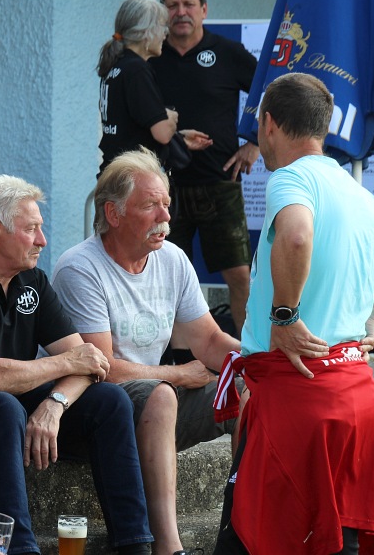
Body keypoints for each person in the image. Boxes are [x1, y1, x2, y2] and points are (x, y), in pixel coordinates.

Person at [210, 73, 374, 555]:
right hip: (354, 399)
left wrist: (284, 316)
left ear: (268, 123)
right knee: (333, 542)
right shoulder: (359, 194)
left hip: (298, 397)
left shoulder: (291, 178)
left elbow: (297, 235)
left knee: (250, 540)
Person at [0, 175, 153, 555]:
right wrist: (64, 362)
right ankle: (21, 550)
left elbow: (89, 364)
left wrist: (55, 404)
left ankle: (134, 545)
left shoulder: (33, 280)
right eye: (31, 229)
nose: (43, 240)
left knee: (111, 400)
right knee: (1, 404)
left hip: (23, 414)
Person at [52, 148, 240, 555]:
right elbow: (101, 369)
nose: (165, 217)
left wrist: (259, 359)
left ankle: (242, 532)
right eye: (151, 205)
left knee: (245, 391)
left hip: (156, 407)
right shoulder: (79, 268)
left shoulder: (172, 259)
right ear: (114, 213)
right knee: (162, 394)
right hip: (96, 414)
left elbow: (209, 341)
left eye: (167, 204)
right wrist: (177, 374)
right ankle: (168, 547)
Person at [150, 0, 258, 334]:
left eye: (188, 4)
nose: (181, 12)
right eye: (173, 5)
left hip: (220, 181)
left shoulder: (227, 53)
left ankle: (248, 356)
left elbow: (272, 92)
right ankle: (174, 359)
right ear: (163, 12)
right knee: (166, 277)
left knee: (239, 275)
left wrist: (255, 142)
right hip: (164, 187)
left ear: (204, 9)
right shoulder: (151, 56)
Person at [97, 0, 210, 177]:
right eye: (162, 26)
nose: (165, 33)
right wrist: (170, 117)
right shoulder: (137, 70)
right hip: (133, 177)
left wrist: (179, 138)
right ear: (146, 32)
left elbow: (129, 127)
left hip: (115, 172)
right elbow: (162, 134)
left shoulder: (116, 66)